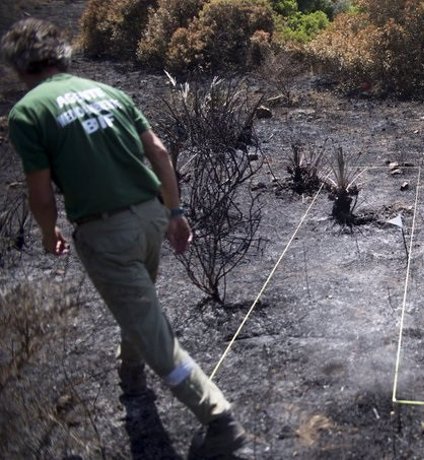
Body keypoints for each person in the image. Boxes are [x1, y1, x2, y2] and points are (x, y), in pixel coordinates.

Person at [2, 18, 248, 459]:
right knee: (140, 306)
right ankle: (131, 373)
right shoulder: (109, 93)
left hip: (105, 232)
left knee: (154, 332)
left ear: (20, 67)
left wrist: (47, 230)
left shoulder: (28, 113)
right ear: (61, 53)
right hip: (152, 217)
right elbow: (158, 152)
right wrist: (175, 212)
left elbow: (39, 191)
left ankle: (220, 422)